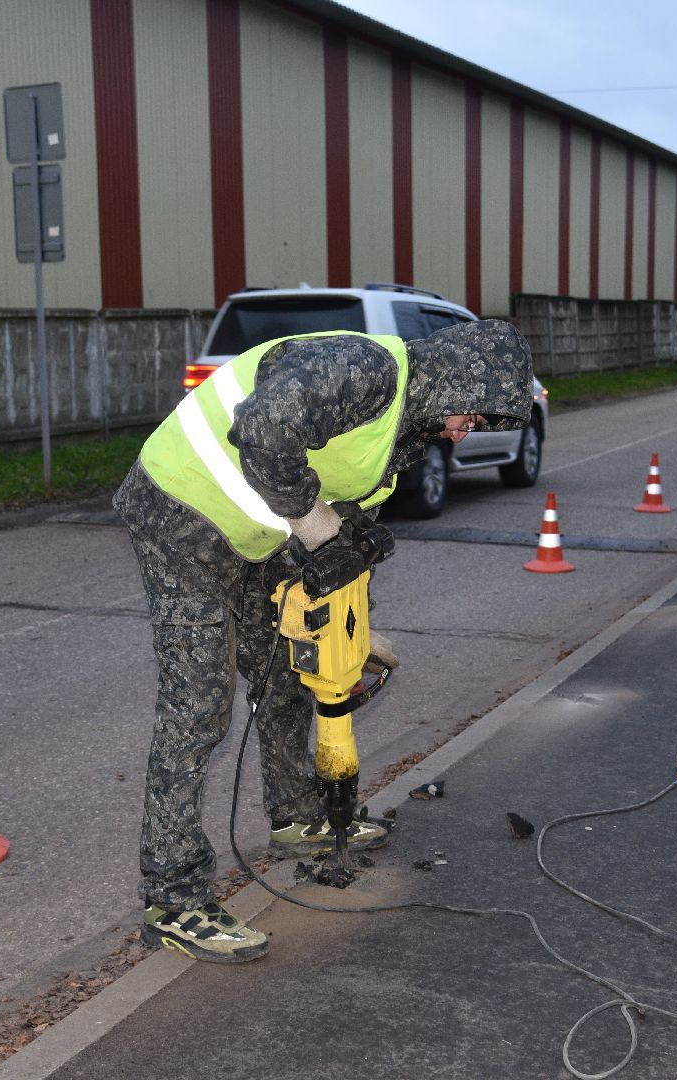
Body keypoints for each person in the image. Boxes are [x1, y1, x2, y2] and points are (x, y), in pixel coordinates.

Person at [112, 320, 535, 963]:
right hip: (179, 515)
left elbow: (339, 507)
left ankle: (297, 816)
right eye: (469, 415)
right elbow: (261, 430)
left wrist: (353, 617)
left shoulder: (406, 432)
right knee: (197, 707)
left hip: (248, 540)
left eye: (477, 426)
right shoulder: (365, 369)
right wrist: (318, 528)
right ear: (452, 376)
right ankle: (173, 899)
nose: (463, 431)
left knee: (289, 668)